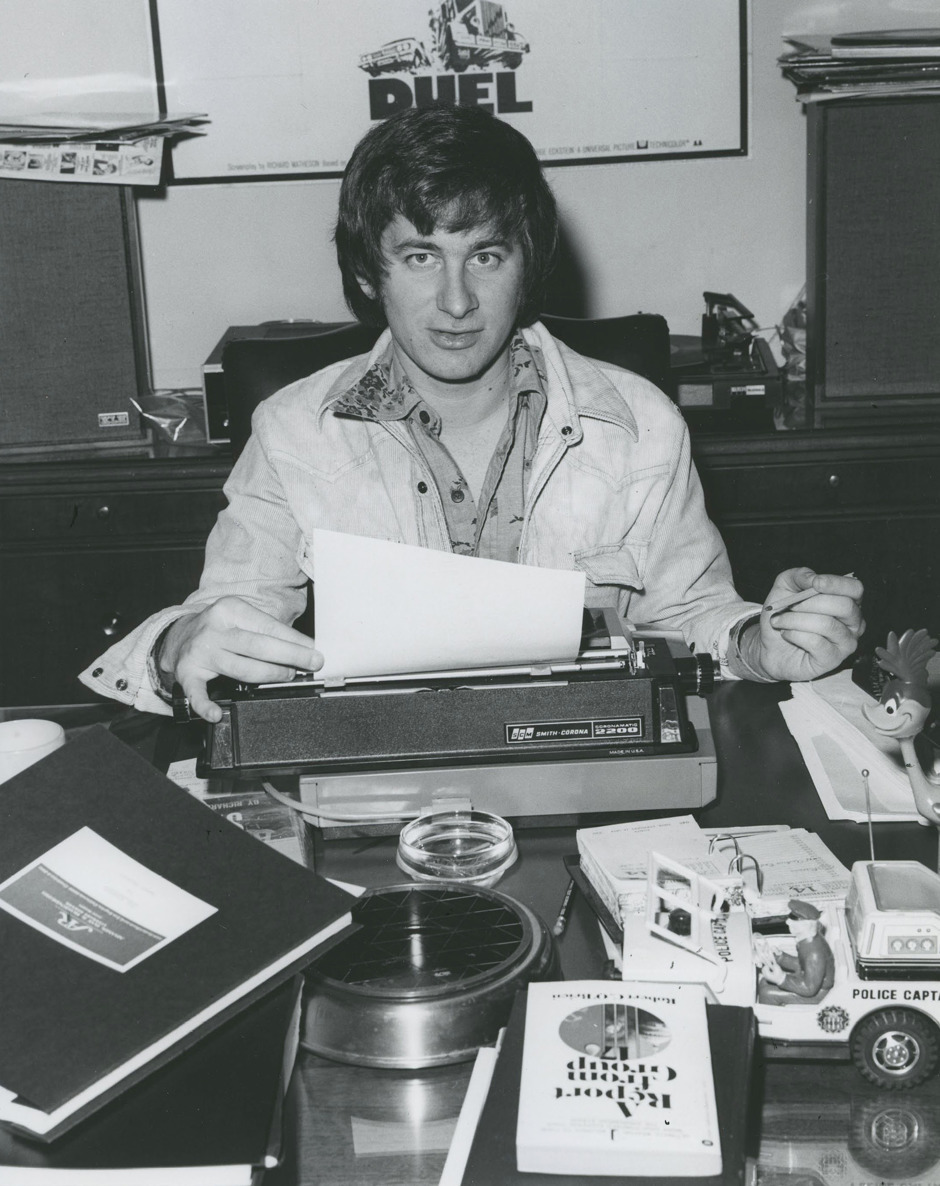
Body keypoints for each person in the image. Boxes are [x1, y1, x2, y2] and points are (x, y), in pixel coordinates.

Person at [81, 105, 864, 722]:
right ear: (368, 271)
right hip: (382, 772)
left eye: (486, 255)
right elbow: (228, 618)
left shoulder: (641, 424)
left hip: (588, 773)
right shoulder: (293, 431)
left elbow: (694, 613)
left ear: (529, 265)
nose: (457, 303)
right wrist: (181, 643)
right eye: (421, 256)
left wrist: (766, 642)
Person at [758, 899, 835, 1002]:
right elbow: (802, 965)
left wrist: (781, 979)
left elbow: (809, 988)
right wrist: (780, 957)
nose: (787, 921)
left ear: (807, 925)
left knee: (767, 993)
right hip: (810, 981)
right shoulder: (808, 942)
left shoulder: (814, 952)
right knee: (764, 982)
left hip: (817, 994)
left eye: (794, 918)